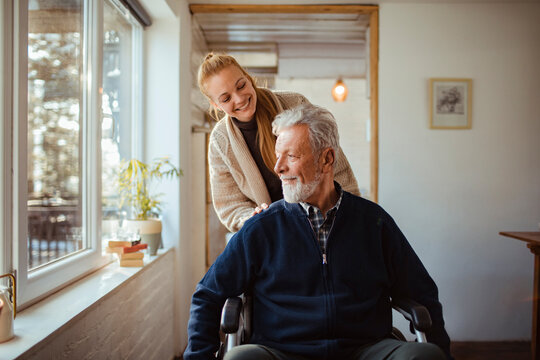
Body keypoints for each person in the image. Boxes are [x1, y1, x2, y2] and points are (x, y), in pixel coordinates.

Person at [185, 104, 453, 360]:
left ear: (327, 159)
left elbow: (422, 292)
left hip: (365, 348)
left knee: (425, 355)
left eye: (291, 156)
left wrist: (442, 350)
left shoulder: (374, 222)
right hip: (281, 350)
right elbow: (208, 295)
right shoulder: (262, 227)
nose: (278, 167)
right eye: (277, 156)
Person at [198, 53, 359, 232]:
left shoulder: (295, 103)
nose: (239, 99)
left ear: (249, 78)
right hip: (273, 233)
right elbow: (230, 205)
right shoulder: (220, 142)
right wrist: (251, 217)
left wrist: (351, 215)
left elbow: (335, 167)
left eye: (241, 85)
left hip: (323, 221)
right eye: (226, 98)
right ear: (216, 105)